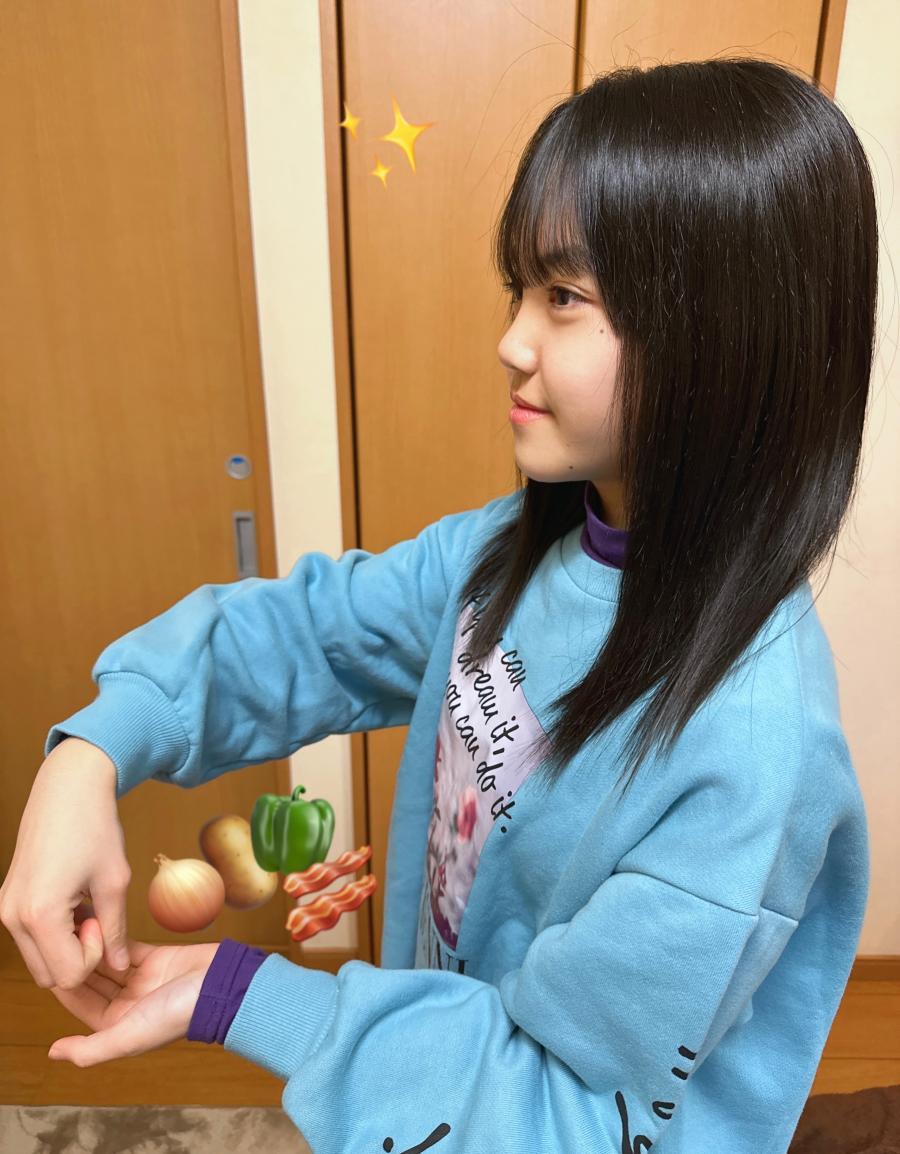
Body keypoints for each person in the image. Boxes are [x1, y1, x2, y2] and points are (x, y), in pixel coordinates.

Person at [0, 56, 877, 1153]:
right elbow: (312, 632)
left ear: (726, 337)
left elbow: (564, 1111)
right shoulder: (511, 552)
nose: (512, 339)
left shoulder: (753, 751)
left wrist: (246, 995)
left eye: (565, 296)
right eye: (522, 288)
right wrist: (92, 754)